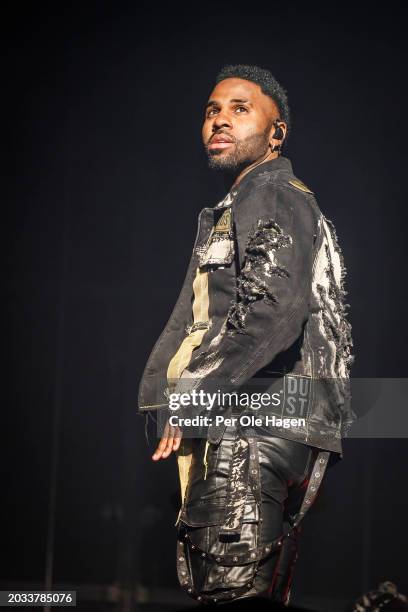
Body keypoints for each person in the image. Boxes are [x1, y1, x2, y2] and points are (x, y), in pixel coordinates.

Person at [138, 64, 355, 605]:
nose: (220, 120)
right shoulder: (242, 203)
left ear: (275, 132)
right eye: (212, 110)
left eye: (240, 109)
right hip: (251, 423)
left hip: (254, 425)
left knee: (229, 596)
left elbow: (273, 310)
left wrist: (192, 396)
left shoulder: (276, 192)